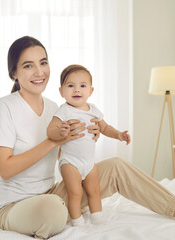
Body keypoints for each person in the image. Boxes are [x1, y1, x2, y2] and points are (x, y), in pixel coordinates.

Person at [0, 36, 175, 239]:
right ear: (14, 72)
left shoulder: (57, 105)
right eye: (28, 65)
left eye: (43, 63)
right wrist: (55, 141)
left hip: (52, 193)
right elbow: (5, 169)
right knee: (53, 210)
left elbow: (60, 156)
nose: (39, 71)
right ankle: (55, 213)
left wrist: (85, 137)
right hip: (14, 206)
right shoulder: (5, 107)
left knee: (116, 166)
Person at [46, 64, 131, 227]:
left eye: (82, 86)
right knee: (75, 192)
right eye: (70, 86)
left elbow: (105, 127)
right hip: (70, 161)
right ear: (61, 91)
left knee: (94, 191)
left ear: (91, 91)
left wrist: (118, 134)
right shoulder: (64, 110)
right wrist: (60, 131)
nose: (77, 90)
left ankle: (97, 217)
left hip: (89, 162)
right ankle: (77, 220)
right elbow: (50, 130)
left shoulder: (94, 110)